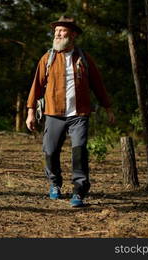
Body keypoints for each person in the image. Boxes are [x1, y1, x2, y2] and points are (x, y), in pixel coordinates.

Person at [26, 15, 115, 207]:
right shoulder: (47, 58)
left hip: (79, 114)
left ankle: (79, 192)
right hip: (53, 113)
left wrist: (108, 108)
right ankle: (54, 184)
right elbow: (37, 86)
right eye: (56, 31)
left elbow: (98, 85)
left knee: (79, 151)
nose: (57, 34)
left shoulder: (83, 58)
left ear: (72, 34)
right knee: (50, 151)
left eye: (62, 31)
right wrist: (31, 111)